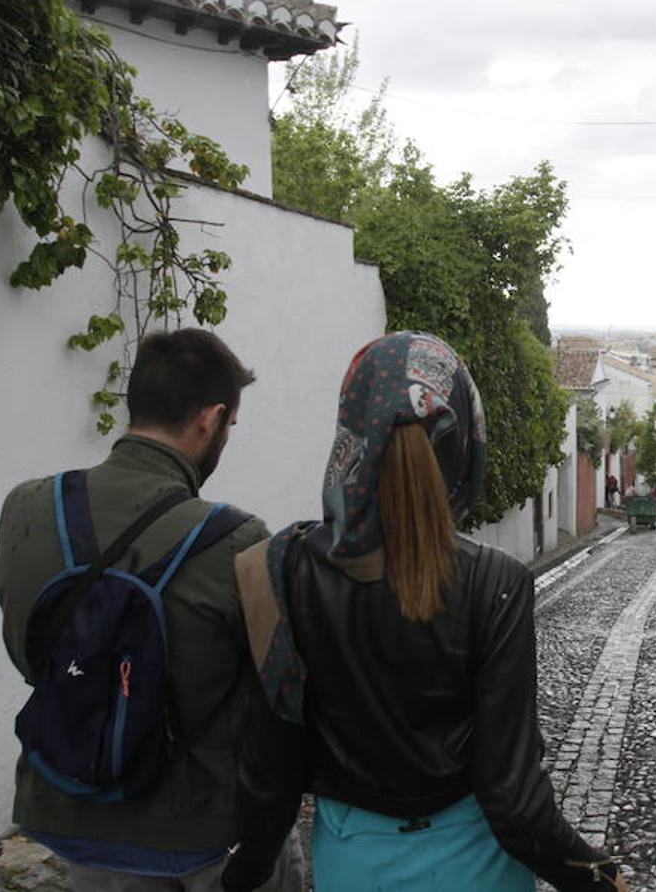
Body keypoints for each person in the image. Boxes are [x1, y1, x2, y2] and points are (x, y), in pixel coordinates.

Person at [220, 332, 627, 892]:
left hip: (353, 861)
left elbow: (272, 770)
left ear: (352, 427)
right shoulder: (495, 584)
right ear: (461, 437)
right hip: (476, 864)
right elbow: (513, 800)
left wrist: (245, 870)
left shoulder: (281, 570)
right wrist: (601, 879)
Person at [0, 329, 302, 891]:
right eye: (230, 424)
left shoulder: (28, 508)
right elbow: (278, 697)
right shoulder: (239, 542)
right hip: (197, 833)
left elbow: (29, 647)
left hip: (74, 814)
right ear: (209, 419)